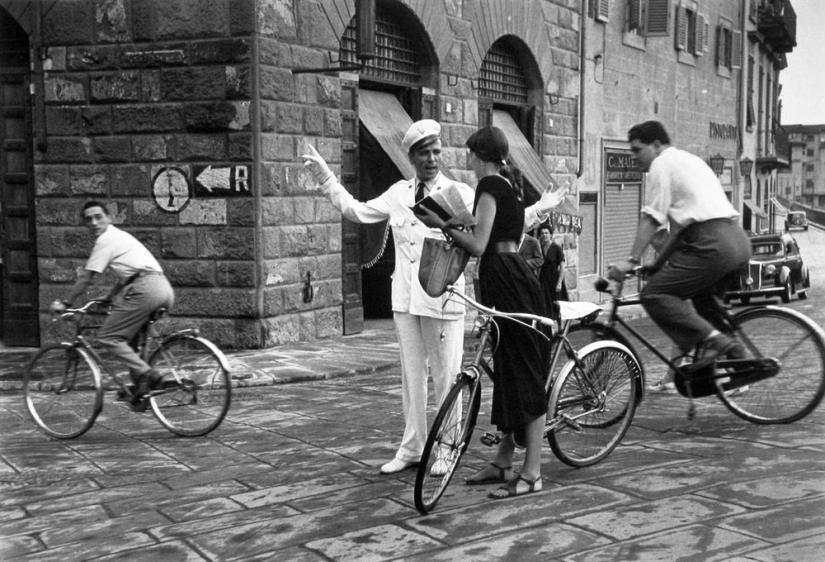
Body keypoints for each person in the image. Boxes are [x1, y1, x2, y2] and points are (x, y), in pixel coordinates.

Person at [303, 120, 475, 474]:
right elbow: (356, 211)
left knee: (446, 376)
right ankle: (412, 446)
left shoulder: (460, 193)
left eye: (436, 152)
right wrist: (326, 179)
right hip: (406, 300)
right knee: (412, 377)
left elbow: (486, 233)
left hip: (443, 298)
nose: (431, 159)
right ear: (411, 157)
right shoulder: (398, 194)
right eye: (424, 153)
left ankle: (446, 447)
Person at [416, 126, 560, 500]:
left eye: (471, 156)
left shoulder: (489, 186)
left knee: (523, 374)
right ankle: (503, 461)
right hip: (509, 277)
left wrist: (443, 223)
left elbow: (479, 246)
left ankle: (533, 473)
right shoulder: (507, 186)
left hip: (506, 279)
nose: (469, 162)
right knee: (510, 370)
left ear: (480, 157)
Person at [607, 121, 751, 389]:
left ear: (657, 145)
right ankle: (738, 359)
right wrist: (657, 264)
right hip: (737, 242)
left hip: (712, 245)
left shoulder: (662, 164)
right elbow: (682, 230)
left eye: (637, 150)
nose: (634, 157)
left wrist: (631, 260)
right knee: (703, 305)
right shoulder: (690, 161)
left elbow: (652, 218)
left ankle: (716, 343)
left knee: (653, 295)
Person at [50, 201, 175, 409]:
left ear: (109, 217)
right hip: (162, 288)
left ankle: (149, 375)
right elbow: (125, 277)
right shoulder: (121, 236)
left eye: (98, 217)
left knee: (109, 337)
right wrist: (109, 297)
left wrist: (66, 303)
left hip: (145, 289)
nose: (94, 222)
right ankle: (141, 388)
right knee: (131, 340)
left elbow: (87, 278)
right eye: (88, 219)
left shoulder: (106, 240)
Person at [537, 223, 564, 307]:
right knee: (544, 303)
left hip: (554, 279)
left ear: (551, 235)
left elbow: (562, 267)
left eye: (546, 233)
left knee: (555, 304)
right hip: (543, 279)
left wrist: (559, 283)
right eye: (542, 233)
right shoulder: (539, 248)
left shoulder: (556, 248)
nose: (544, 235)